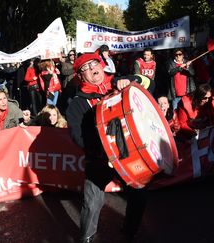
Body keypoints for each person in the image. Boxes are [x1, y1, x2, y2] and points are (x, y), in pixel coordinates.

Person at [66, 53, 146, 243]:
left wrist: (130, 81)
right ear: (80, 76)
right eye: (85, 68)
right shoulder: (77, 103)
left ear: (102, 66)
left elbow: (148, 83)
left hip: (128, 153)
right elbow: (78, 137)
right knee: (92, 203)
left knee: (140, 193)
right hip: (99, 158)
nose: (92, 69)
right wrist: (103, 151)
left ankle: (129, 232)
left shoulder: (119, 84)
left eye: (94, 64)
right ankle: (87, 237)